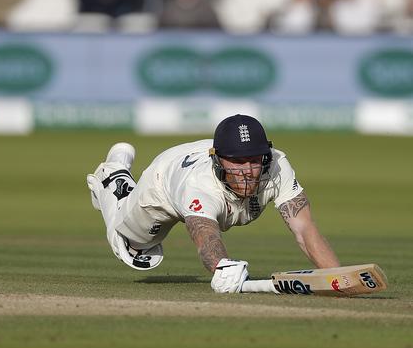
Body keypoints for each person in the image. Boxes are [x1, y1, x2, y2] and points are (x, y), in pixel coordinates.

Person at [86, 114, 340, 293]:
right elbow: (206, 237)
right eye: (237, 162)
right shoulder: (198, 185)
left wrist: (338, 278)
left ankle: (117, 177)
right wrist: (221, 266)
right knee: (134, 246)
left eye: (254, 160)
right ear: (219, 160)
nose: (248, 170)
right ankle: (113, 174)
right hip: (164, 181)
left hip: (198, 159)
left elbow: (304, 229)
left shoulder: (276, 165)